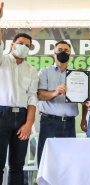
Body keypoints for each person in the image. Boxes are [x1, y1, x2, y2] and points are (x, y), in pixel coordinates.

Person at [0, 3, 39, 184]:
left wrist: (29, 123)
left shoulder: (31, 70)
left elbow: (32, 97)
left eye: (27, 45)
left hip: (22, 118)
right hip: (2, 115)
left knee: (17, 165)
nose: (23, 46)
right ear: (12, 45)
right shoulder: (3, 62)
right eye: (20, 44)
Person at [37, 41, 78, 165]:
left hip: (70, 122)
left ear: (70, 55)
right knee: (47, 159)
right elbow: (40, 95)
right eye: (59, 50)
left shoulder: (77, 74)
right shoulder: (44, 72)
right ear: (54, 54)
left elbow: (83, 99)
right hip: (49, 122)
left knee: (69, 161)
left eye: (66, 51)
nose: (62, 52)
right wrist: (55, 93)